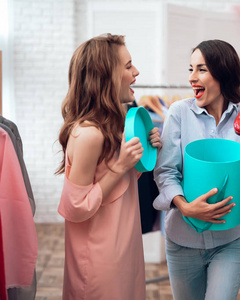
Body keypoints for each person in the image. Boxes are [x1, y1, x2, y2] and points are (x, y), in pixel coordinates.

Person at [153, 39, 240, 300]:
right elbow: (166, 171)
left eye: (202, 69)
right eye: (191, 69)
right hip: (182, 241)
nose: (192, 78)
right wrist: (185, 206)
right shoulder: (179, 113)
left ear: (223, 73)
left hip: (231, 241)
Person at [56, 33, 161, 300]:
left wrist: (143, 154)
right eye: (127, 66)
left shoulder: (118, 123)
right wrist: (121, 164)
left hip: (125, 246)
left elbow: (117, 188)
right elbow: (75, 207)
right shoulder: (88, 134)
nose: (136, 72)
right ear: (104, 76)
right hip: (100, 258)